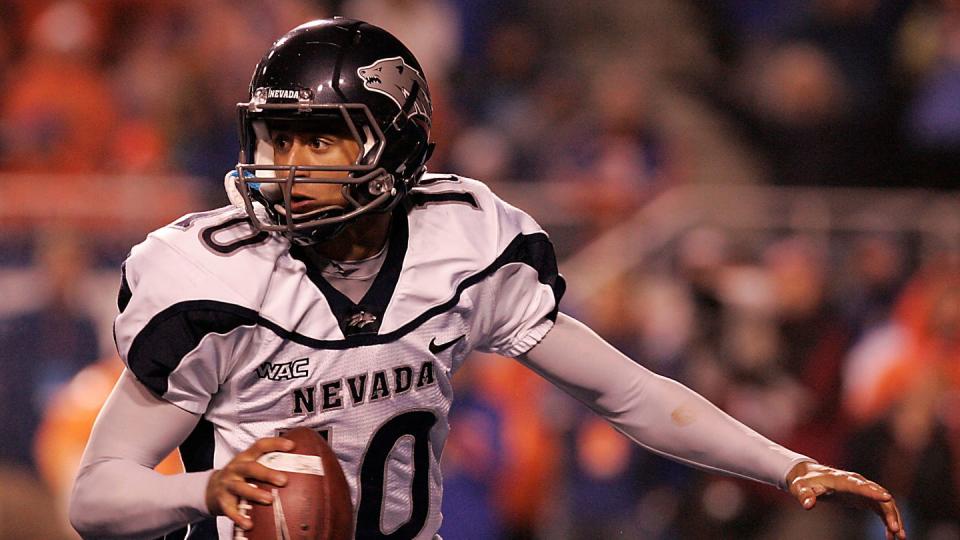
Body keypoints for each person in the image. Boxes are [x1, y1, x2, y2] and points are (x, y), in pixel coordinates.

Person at [69, 18, 905, 540]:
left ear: (395, 148)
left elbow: (631, 395)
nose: (283, 166)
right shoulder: (212, 279)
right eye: (273, 139)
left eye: (318, 140)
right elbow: (96, 496)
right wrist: (202, 493)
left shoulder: (463, 242)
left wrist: (784, 464)